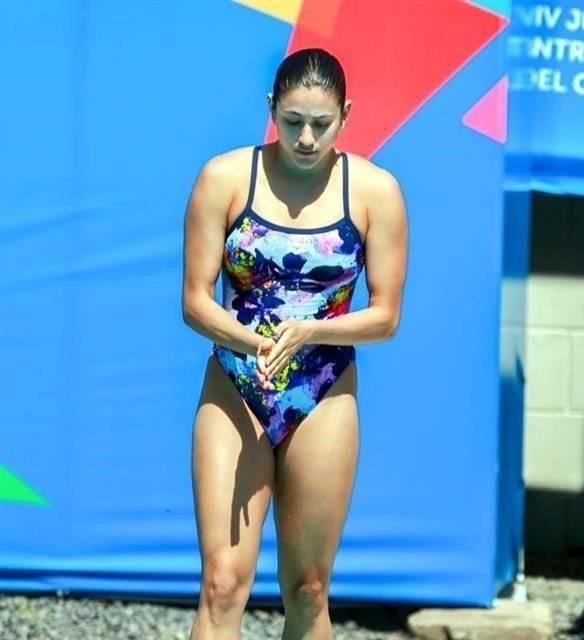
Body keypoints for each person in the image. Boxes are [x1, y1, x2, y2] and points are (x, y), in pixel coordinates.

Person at [180, 47, 408, 640]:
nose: (306, 138)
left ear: (346, 114)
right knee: (223, 583)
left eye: (321, 124)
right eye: (292, 121)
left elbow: (384, 317)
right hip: (236, 382)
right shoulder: (225, 179)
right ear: (271, 110)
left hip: (323, 389)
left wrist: (313, 330)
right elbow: (196, 302)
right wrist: (249, 340)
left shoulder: (375, 192)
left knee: (307, 588)